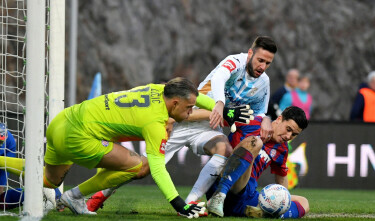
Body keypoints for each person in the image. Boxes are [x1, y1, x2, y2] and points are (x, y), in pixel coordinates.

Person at [86, 36, 278, 211]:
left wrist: (267, 119)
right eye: (260, 60)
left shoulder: (263, 83)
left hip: (208, 126)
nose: (262, 66)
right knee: (141, 169)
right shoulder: (235, 62)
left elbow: (261, 111)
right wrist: (219, 104)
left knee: (224, 150)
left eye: (268, 63)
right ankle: (98, 196)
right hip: (184, 117)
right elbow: (219, 77)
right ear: (250, 53)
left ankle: (191, 202)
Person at [0, 78, 213, 218]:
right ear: (175, 104)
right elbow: (158, 169)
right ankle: (75, 196)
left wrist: (224, 111)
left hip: (62, 121)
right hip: (78, 136)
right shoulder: (154, 124)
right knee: (139, 167)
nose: (191, 111)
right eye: (189, 108)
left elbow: (195, 96)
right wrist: (179, 205)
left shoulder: (158, 89)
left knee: (48, 179)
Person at [207, 106, 310, 219]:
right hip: (223, 185)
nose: (288, 136)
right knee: (256, 142)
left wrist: (281, 203)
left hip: (246, 197)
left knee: (304, 202)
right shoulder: (252, 122)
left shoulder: (282, 149)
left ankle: (268, 214)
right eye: (288, 129)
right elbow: (217, 116)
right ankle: (219, 195)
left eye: (294, 134)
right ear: (279, 119)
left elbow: (282, 181)